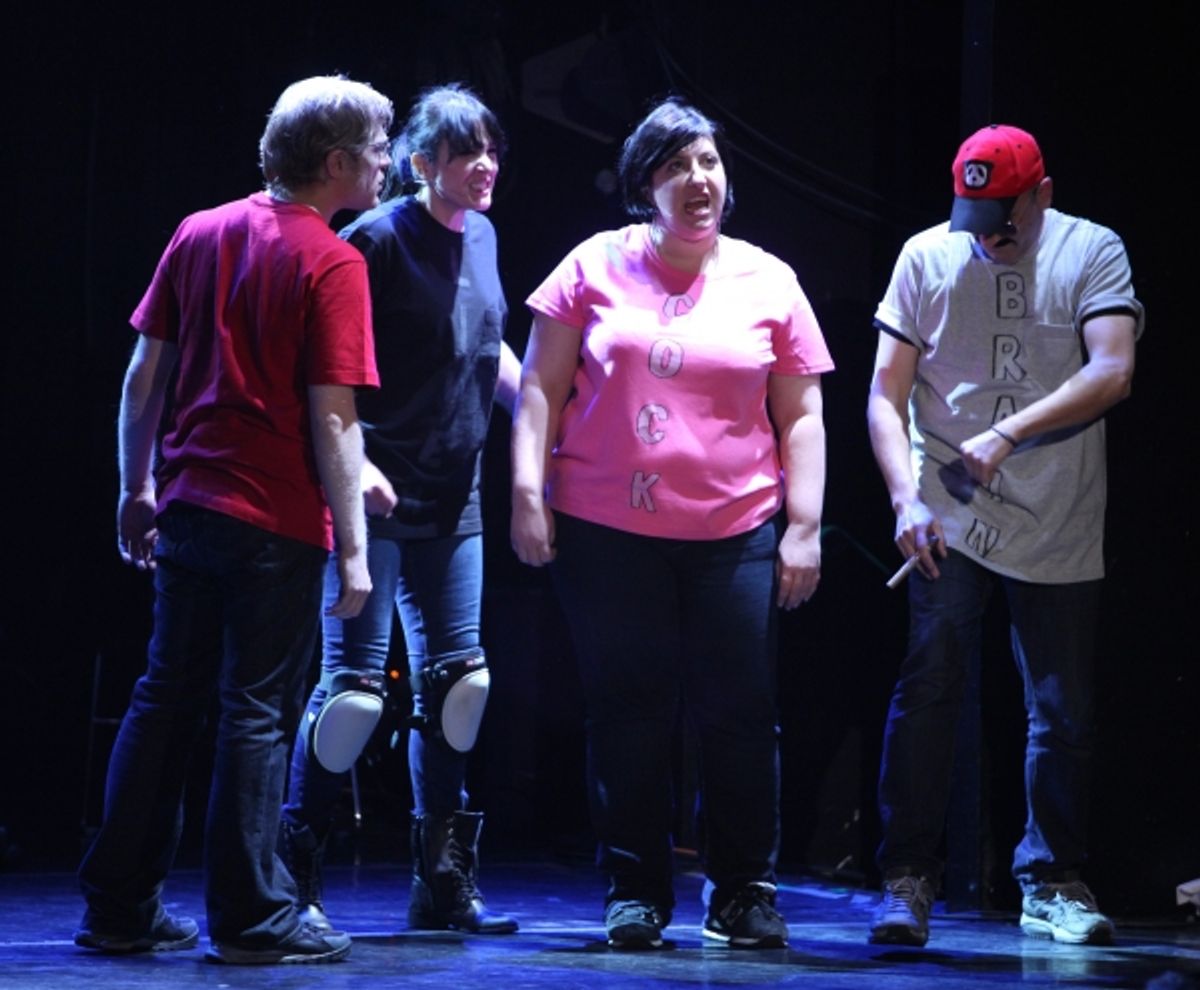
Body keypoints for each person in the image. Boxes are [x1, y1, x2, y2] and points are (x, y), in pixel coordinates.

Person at [76, 75, 393, 965]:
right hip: (273, 520)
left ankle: (119, 908)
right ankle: (254, 918)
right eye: (375, 149)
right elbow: (334, 418)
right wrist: (357, 555)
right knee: (253, 713)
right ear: (335, 164)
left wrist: (135, 488)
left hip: (188, 508)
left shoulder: (199, 231)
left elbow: (146, 378)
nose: (384, 164)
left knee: (163, 698)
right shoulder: (333, 261)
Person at [511, 97, 834, 950]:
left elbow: (802, 414)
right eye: (676, 166)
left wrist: (803, 527)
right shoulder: (591, 264)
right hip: (605, 529)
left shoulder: (770, 278)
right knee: (628, 711)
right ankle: (635, 890)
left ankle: (742, 893)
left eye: (710, 165)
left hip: (735, 532)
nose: (699, 180)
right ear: (642, 185)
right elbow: (539, 387)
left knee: (740, 713)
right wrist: (525, 492)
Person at [866, 124, 1143, 947]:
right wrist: (901, 500)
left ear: (1042, 195)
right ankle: (907, 876)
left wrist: (1008, 433)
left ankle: (1051, 879)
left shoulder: (1091, 252)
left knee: (1060, 708)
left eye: (1004, 219)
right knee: (929, 687)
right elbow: (885, 395)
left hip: (1056, 509)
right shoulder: (925, 258)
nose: (987, 238)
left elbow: (1113, 369)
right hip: (945, 509)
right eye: (973, 216)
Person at [280, 83, 520, 936]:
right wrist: (360, 470)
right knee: (350, 698)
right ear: (423, 164)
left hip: (456, 505)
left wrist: (547, 425)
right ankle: (294, 876)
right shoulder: (375, 240)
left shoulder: (484, 235)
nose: (484, 165)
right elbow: (330, 373)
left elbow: (486, 350)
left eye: (490, 148)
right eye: (465, 153)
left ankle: (442, 884)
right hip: (375, 502)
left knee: (460, 688)